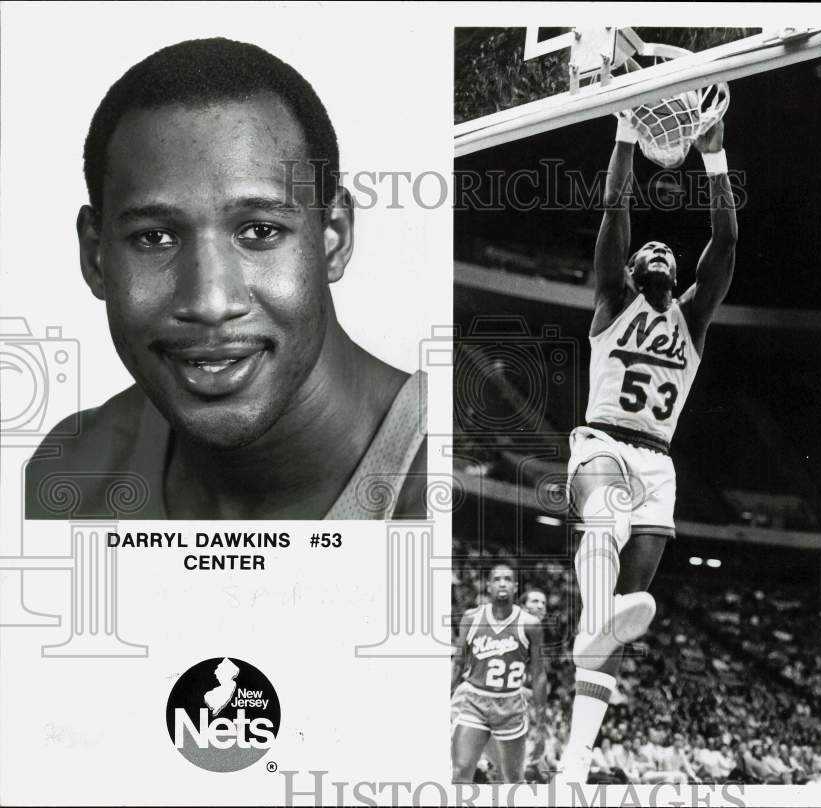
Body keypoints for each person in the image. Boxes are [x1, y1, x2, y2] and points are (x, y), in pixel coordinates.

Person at [24, 38, 425, 520]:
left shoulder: (444, 485)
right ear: (95, 257)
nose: (211, 302)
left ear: (333, 237)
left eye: (260, 231)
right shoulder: (69, 476)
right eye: (154, 238)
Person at [556, 111, 738, 784]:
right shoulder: (611, 300)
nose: (660, 251)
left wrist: (715, 160)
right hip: (602, 442)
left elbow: (725, 240)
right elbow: (616, 207)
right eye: (648, 252)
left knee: (618, 628)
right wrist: (626, 136)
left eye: (669, 251)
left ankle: (574, 761)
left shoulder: (692, 316)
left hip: (659, 464)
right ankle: (595, 618)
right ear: (632, 269)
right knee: (603, 515)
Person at [451, 564, 548, 783]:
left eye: (507, 579)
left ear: (515, 587)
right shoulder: (471, 618)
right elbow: (457, 663)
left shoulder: (530, 625)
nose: (502, 583)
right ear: (487, 586)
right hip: (475, 700)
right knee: (460, 772)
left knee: (513, 779)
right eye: (496, 579)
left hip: (510, 706)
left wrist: (542, 722)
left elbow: (540, 674)